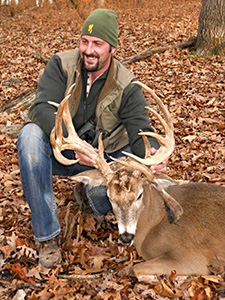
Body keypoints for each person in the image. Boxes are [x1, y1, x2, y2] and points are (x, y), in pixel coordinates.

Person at [17, 9, 167, 268]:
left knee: (107, 193)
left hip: (105, 163)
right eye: (84, 42)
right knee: (29, 136)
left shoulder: (127, 85)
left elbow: (140, 130)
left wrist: (151, 153)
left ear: (112, 49)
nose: (89, 50)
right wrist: (68, 140)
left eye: (97, 44)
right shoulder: (61, 65)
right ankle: (47, 236)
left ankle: (90, 198)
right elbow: (40, 108)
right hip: (62, 152)